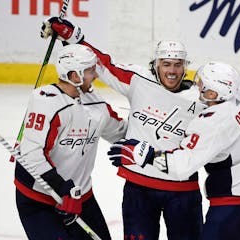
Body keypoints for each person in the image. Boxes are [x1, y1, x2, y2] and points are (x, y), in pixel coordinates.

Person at [40, 17, 206, 240]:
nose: (172, 71)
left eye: (178, 65)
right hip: (139, 189)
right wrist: (74, 39)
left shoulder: (201, 98)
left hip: (183, 192)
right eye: (166, 64)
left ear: (185, 67)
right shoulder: (139, 81)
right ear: (156, 64)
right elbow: (104, 65)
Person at [108, 61, 240, 240]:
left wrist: (144, 154)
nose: (197, 86)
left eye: (202, 85)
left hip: (233, 206)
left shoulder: (211, 124)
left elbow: (182, 166)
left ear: (213, 94)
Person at [14, 44, 127, 240]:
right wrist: (62, 188)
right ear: (75, 76)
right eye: (91, 71)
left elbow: (121, 132)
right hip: (39, 199)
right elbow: (31, 154)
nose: (96, 76)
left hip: (80, 197)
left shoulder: (96, 103)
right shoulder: (45, 101)